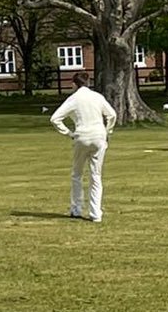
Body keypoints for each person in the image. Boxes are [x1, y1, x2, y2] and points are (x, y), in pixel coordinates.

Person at [50, 72, 116, 222]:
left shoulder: (73, 99)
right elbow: (112, 115)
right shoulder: (97, 97)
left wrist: (69, 133)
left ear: (74, 84)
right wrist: (107, 131)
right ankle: (95, 213)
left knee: (77, 174)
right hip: (99, 136)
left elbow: (55, 119)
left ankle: (76, 209)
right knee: (96, 175)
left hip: (81, 136)